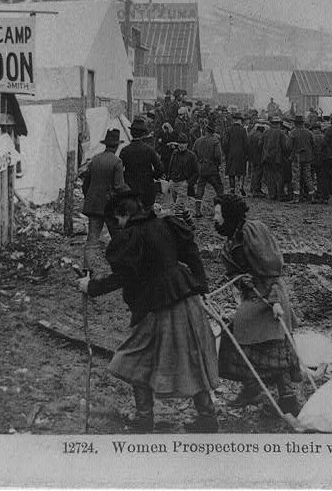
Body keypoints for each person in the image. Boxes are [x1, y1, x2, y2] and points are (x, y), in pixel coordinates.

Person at [77, 189, 219, 433]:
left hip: (160, 307)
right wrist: (201, 286)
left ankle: (144, 419)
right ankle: (207, 417)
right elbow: (192, 253)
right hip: (187, 298)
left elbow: (123, 276)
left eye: (117, 220)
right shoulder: (166, 225)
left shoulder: (133, 236)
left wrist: (91, 286)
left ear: (124, 216)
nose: (117, 226)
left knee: (134, 357)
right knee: (191, 357)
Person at [213, 194, 301, 415]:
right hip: (254, 294)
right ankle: (252, 387)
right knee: (235, 332)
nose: (214, 218)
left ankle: (288, 397)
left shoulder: (252, 231)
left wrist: (273, 300)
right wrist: (243, 280)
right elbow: (236, 272)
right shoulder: (232, 240)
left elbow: (272, 266)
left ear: (228, 214)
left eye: (217, 213)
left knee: (272, 341)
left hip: (270, 294)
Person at [81, 129, 127, 272]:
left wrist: (90, 197)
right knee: (118, 238)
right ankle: (121, 269)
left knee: (92, 240)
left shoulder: (95, 159)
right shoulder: (117, 162)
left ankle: (87, 271)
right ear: (117, 146)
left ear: (106, 145)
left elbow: (85, 185)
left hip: (94, 206)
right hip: (110, 207)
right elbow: (119, 187)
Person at [120, 118, 164, 209]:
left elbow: (119, 171)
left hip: (130, 191)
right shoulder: (149, 150)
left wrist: (126, 177)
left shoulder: (125, 151)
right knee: (147, 220)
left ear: (131, 133)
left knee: (132, 218)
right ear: (143, 134)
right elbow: (160, 169)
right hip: (147, 191)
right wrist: (151, 175)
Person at [192, 118, 224, 218]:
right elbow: (218, 156)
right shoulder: (215, 141)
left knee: (200, 189)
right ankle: (219, 211)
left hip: (201, 169)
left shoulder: (198, 140)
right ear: (213, 132)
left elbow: (193, 153)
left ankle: (197, 211)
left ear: (205, 131)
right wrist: (218, 164)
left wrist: (199, 162)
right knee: (219, 189)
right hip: (212, 169)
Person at [167, 132, 199, 212]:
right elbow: (170, 167)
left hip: (183, 184)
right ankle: (189, 222)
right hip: (173, 183)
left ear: (187, 144)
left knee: (178, 207)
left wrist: (187, 183)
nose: (181, 145)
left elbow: (196, 172)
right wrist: (169, 180)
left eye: (184, 143)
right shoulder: (174, 153)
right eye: (180, 143)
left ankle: (178, 223)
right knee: (180, 208)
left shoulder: (191, 156)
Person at [289, 115, 315, 202]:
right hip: (307, 158)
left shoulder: (293, 132)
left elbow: (288, 146)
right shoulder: (309, 133)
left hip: (297, 157)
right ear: (303, 123)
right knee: (308, 176)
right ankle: (312, 196)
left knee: (296, 177)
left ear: (295, 123)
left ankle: (296, 197)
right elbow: (313, 145)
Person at [261, 116, 286, 201]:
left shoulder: (265, 132)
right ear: (279, 124)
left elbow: (260, 143)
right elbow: (285, 147)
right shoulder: (281, 133)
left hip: (267, 158)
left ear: (271, 124)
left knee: (269, 177)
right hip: (277, 158)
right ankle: (280, 195)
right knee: (279, 176)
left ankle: (272, 194)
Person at [223, 112, 249, 196]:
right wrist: (246, 153)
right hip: (241, 154)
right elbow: (246, 144)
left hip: (231, 154)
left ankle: (232, 189)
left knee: (231, 172)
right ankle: (241, 187)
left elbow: (225, 143)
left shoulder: (229, 129)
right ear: (240, 121)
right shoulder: (243, 130)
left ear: (234, 120)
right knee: (241, 172)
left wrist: (226, 153)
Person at [247, 121, 267, 197]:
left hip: (252, 157)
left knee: (253, 173)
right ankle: (256, 190)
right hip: (259, 157)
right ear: (262, 129)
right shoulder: (261, 136)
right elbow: (261, 147)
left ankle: (252, 188)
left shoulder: (251, 135)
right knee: (258, 174)